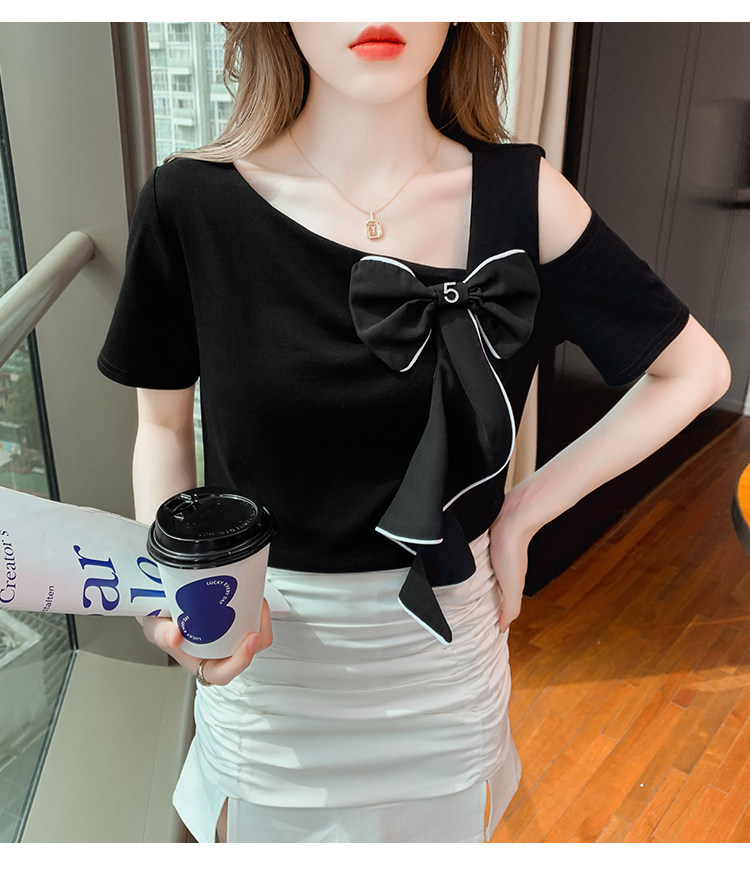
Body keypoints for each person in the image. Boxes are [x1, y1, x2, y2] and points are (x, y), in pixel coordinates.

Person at [97, 22, 731, 843]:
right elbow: (161, 425)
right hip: (269, 658)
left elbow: (694, 371)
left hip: (443, 664)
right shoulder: (191, 201)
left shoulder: (523, 194)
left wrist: (524, 512)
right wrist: (175, 586)